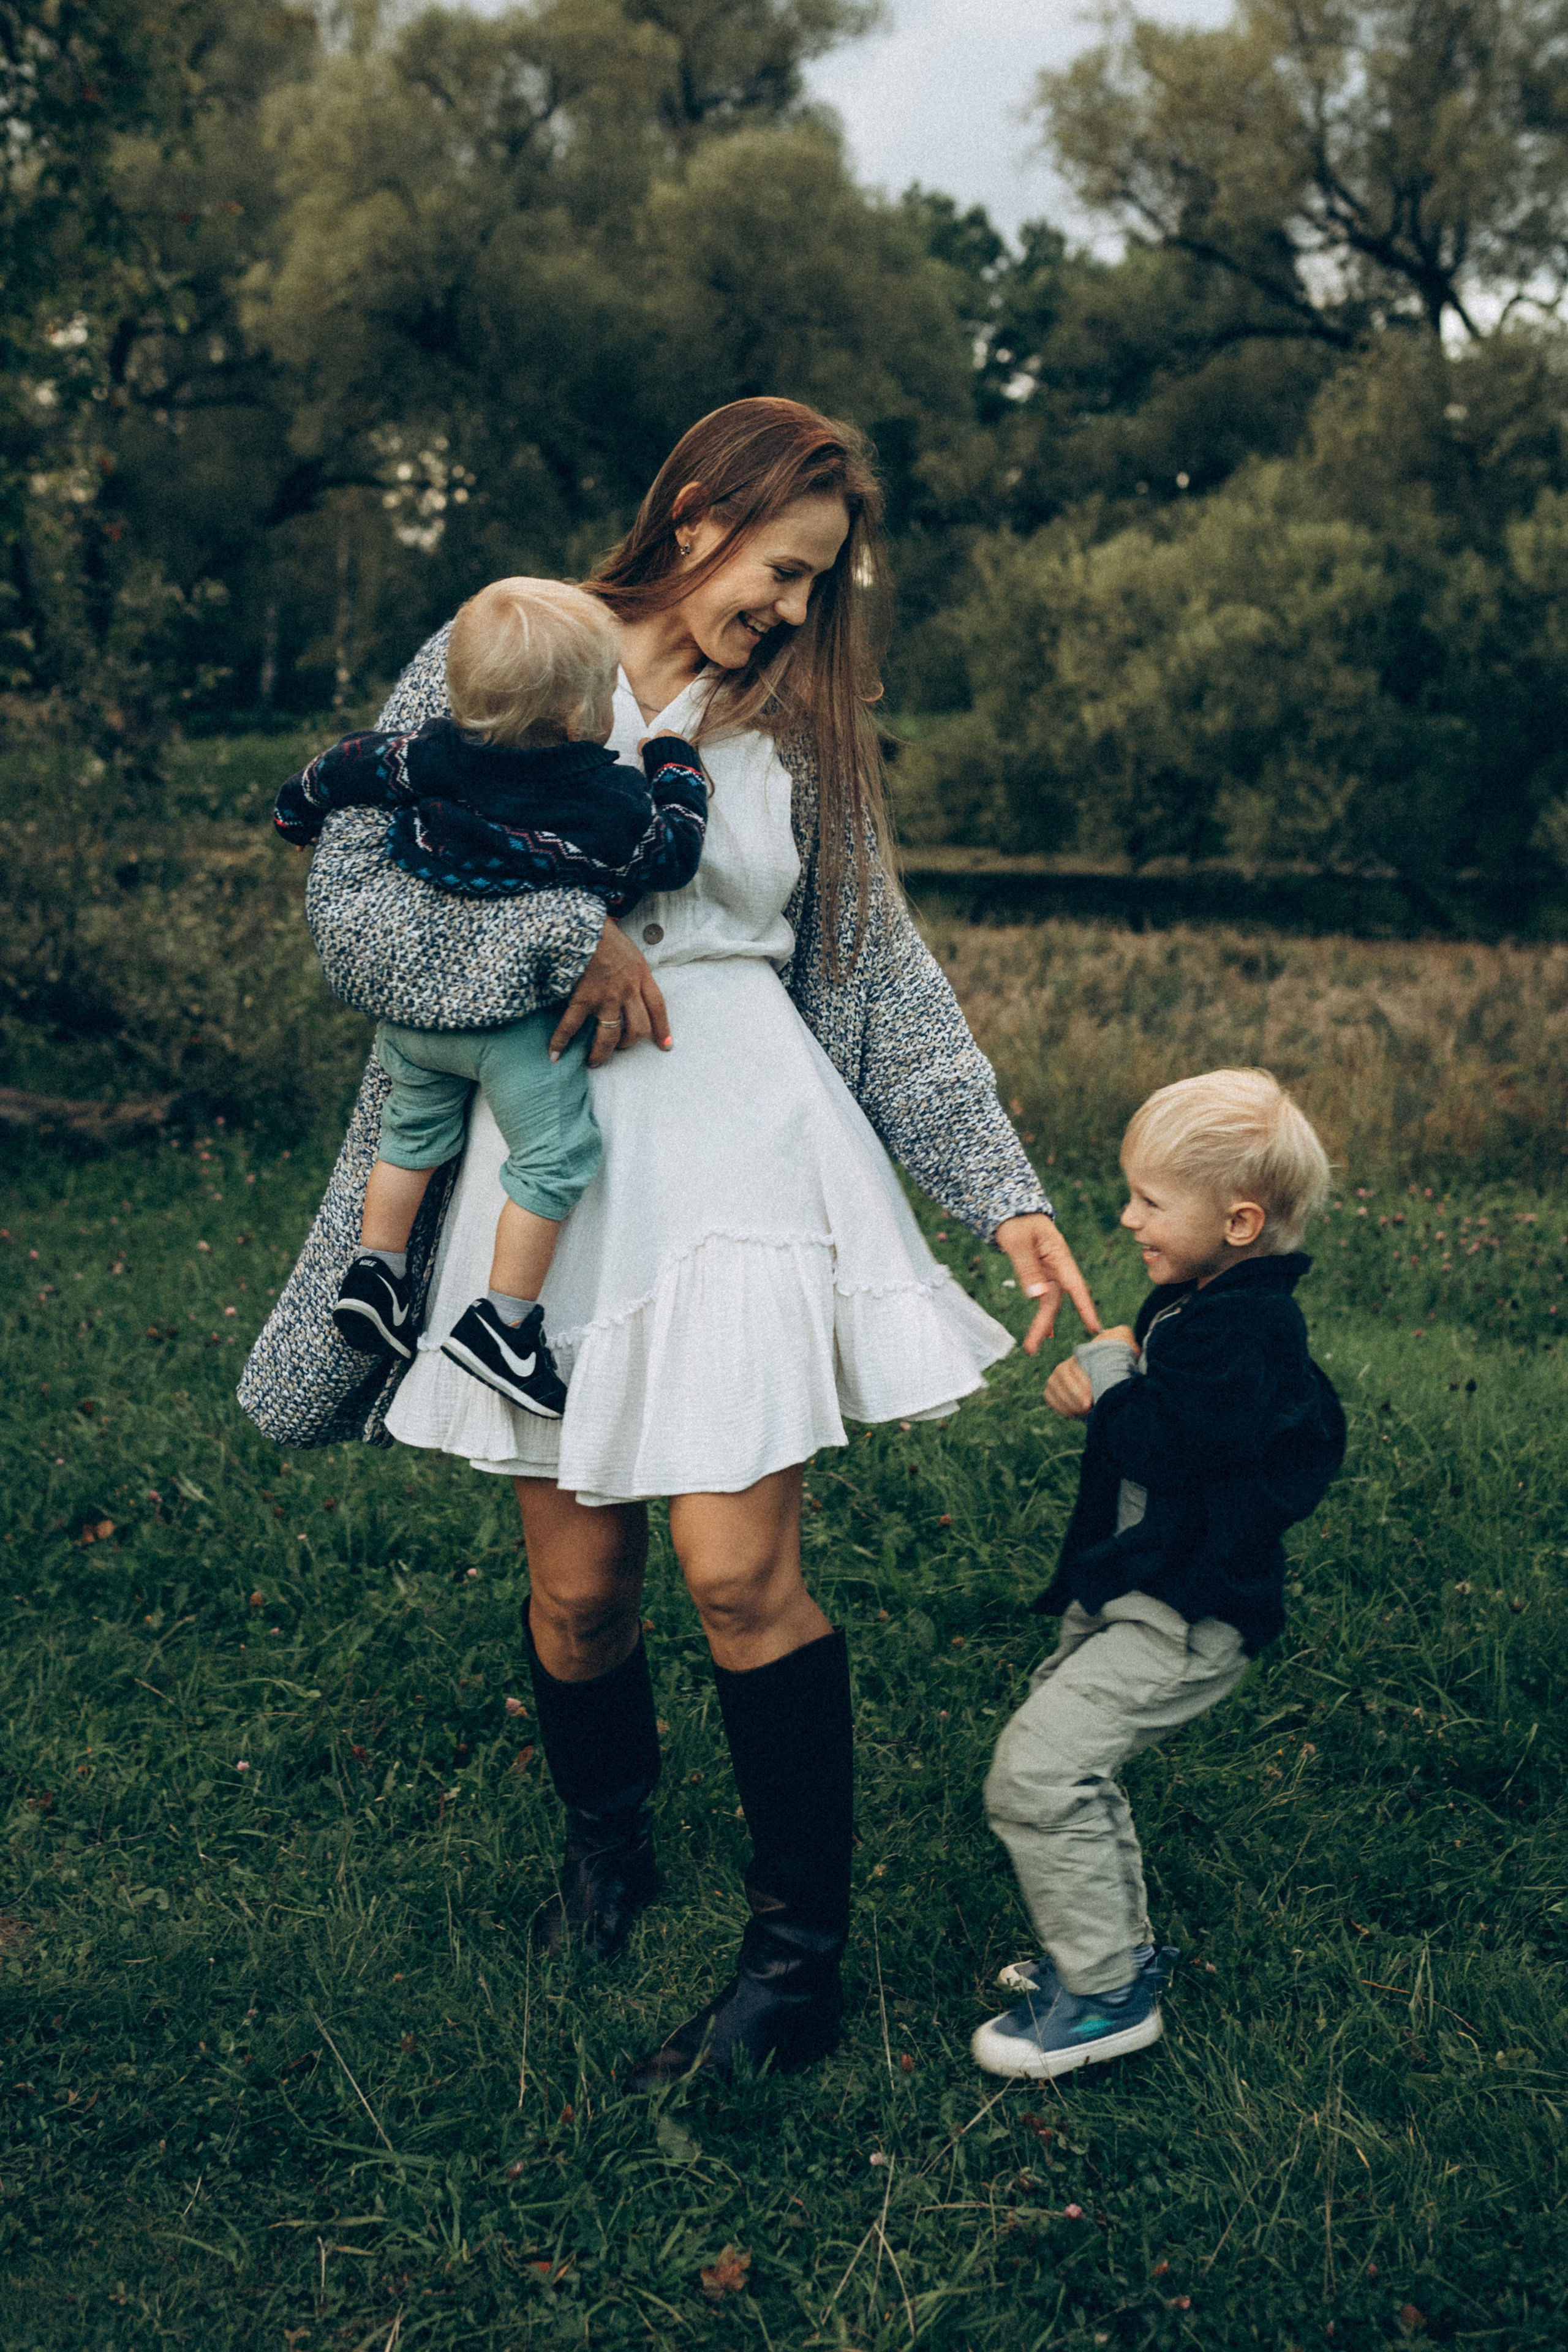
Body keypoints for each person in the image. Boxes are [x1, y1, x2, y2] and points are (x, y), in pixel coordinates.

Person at [239, 396, 1099, 2090]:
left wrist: (1002, 1187)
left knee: (736, 1572)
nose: (794, 610)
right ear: (699, 513)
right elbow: (359, 904)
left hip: (741, 1158)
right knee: (578, 1597)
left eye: (820, 586)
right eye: (784, 569)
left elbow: (874, 974)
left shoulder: (800, 731)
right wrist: (559, 943)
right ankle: (608, 1855)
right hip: (535, 1178)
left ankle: (795, 1973)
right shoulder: (506, 646)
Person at [972, 1068, 1347, 2081]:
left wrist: (1107, 1382)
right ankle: (1116, 1953)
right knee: (1071, 1766)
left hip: (1186, 1615)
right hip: (1137, 1590)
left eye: (1149, 1199)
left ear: (1238, 1220)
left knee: (1039, 1775)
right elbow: (1155, 1405)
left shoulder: (1248, 1329)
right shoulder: (1201, 1300)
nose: (1128, 1216)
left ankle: (1103, 2002)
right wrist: (1117, 1370)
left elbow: (1166, 1444)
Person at [271, 576, 707, 1418]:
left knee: (410, 1134)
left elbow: (344, 769)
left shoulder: (432, 754)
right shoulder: (609, 799)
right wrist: (674, 763)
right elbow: (674, 852)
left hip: (418, 1021)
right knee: (553, 1157)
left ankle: (377, 1269)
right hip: (517, 1025)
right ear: (586, 716)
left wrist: (299, 807)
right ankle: (503, 1322)